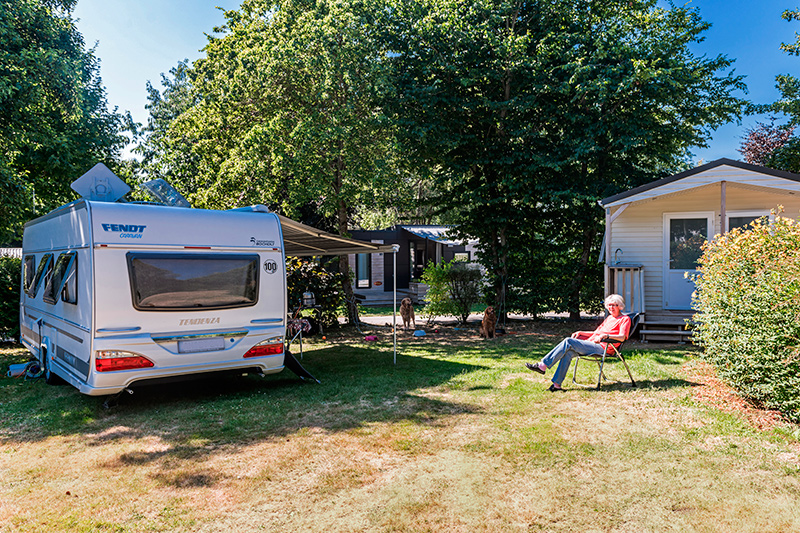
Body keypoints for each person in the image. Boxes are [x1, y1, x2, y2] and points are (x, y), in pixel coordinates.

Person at [525, 294, 631, 392]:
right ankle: (557, 385)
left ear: (620, 306)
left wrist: (606, 336)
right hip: (592, 345)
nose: (612, 308)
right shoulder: (609, 318)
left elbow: (622, 337)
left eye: (615, 305)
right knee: (568, 353)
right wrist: (581, 332)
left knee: (568, 341)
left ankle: (542, 365)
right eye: (610, 305)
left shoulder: (624, 319)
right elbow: (596, 333)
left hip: (604, 348)